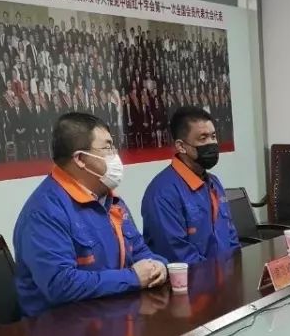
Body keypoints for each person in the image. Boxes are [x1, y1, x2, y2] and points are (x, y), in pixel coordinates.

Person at [13, 111, 168, 318]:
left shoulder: (110, 199)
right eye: (107, 147)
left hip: (114, 316)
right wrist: (132, 278)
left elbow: (139, 251)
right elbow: (61, 285)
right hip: (61, 328)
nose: (116, 155)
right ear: (80, 159)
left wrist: (159, 266)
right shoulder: (44, 212)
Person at [141, 105, 240, 264]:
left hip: (226, 275)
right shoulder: (162, 193)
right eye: (203, 138)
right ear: (181, 146)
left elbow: (231, 236)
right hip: (192, 278)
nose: (211, 143)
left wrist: (236, 267)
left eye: (213, 136)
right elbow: (176, 254)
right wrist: (216, 274)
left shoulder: (214, 183)